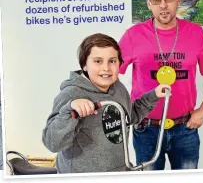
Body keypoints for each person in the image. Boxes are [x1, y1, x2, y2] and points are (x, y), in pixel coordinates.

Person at [118, 0, 203, 170]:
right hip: (145, 129)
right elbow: (110, 74)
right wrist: (123, 110)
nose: (163, 5)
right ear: (149, 4)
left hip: (185, 129)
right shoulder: (133, 35)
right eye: (156, 0)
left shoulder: (196, 33)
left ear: (177, 0)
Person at [42, 33, 170, 174]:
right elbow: (52, 143)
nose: (106, 68)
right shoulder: (72, 94)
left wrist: (153, 95)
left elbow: (129, 117)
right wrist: (69, 110)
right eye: (98, 61)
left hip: (118, 173)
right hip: (83, 178)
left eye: (112, 61)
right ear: (84, 65)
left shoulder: (118, 88)